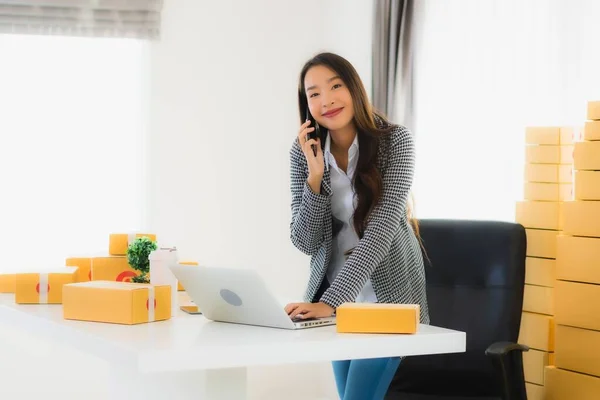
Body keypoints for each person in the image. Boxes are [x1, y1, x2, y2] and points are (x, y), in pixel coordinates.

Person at [283, 52, 430, 400]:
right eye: (313, 93)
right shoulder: (301, 152)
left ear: (354, 88)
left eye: (336, 86)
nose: (326, 100)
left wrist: (331, 302)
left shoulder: (396, 142)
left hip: (388, 300)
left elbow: (380, 232)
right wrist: (315, 177)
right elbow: (305, 241)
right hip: (336, 304)